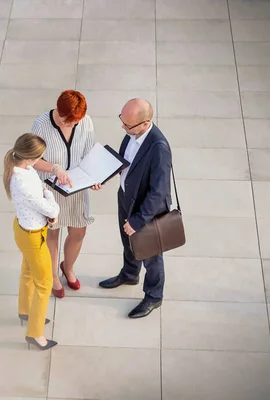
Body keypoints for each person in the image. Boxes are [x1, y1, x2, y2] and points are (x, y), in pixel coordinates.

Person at [99, 98, 172, 319]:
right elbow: (125, 161)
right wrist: (102, 177)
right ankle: (130, 274)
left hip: (146, 211)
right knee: (127, 241)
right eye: (122, 120)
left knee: (151, 255)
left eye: (128, 124)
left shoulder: (158, 148)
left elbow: (158, 192)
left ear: (145, 123)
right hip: (126, 199)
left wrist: (138, 221)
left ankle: (153, 296)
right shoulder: (133, 133)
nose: (123, 127)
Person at [31, 90, 101, 299]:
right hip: (51, 188)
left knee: (79, 232)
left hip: (77, 187)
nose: (70, 125)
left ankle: (67, 267)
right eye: (66, 121)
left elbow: (89, 154)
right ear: (59, 111)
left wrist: (95, 177)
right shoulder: (41, 125)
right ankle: (53, 274)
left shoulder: (85, 121)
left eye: (74, 123)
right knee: (53, 232)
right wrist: (55, 168)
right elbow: (32, 159)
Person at [4, 133, 60, 351]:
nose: (41, 160)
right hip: (32, 236)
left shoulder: (24, 168)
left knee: (28, 271)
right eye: (39, 157)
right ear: (29, 158)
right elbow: (51, 207)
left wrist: (46, 194)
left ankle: (25, 311)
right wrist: (51, 200)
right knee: (44, 284)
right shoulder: (22, 181)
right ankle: (35, 334)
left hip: (25, 230)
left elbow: (43, 190)